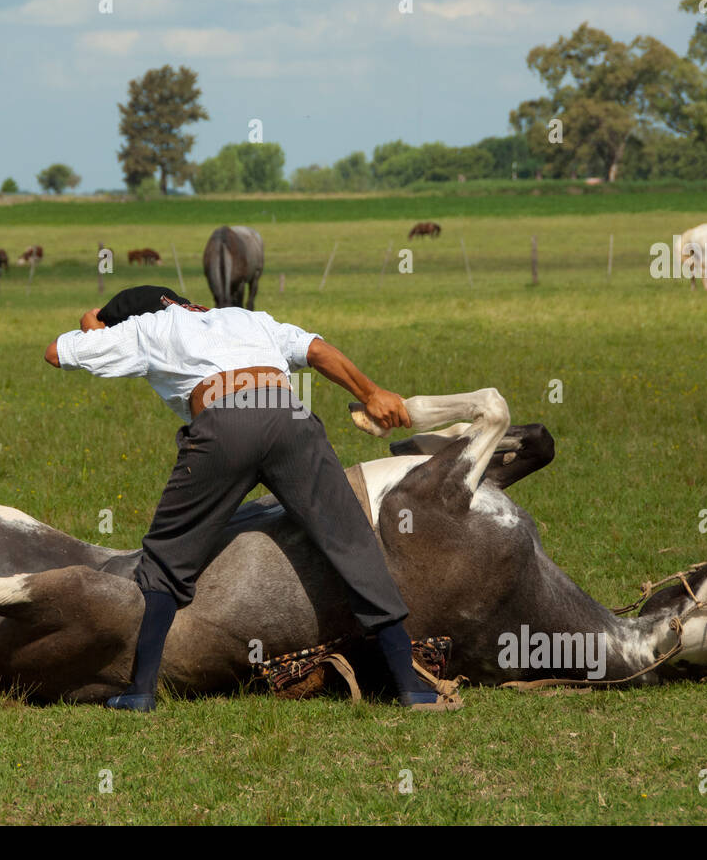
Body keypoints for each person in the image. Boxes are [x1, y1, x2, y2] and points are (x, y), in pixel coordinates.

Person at [44, 285, 459, 712]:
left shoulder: (146, 328)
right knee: (351, 542)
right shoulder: (243, 316)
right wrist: (372, 394)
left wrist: (95, 323)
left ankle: (141, 691)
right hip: (289, 418)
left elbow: (57, 353)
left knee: (168, 558)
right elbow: (317, 351)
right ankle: (411, 687)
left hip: (224, 427)